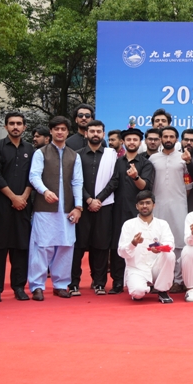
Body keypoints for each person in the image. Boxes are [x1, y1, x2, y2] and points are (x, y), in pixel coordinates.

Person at [28, 116, 83, 301]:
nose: (60, 132)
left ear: (68, 132)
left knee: (66, 246)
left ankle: (60, 284)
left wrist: (78, 207)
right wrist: (44, 191)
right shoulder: (40, 153)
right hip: (45, 207)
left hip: (67, 208)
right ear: (50, 132)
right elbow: (34, 176)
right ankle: (37, 285)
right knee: (42, 246)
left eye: (63, 129)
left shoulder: (74, 156)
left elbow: (77, 182)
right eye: (56, 129)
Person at [97, 127, 155, 294]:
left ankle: (142, 279)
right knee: (118, 245)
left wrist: (135, 177)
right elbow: (113, 183)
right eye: (128, 139)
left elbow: (145, 187)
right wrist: (97, 200)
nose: (131, 142)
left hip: (139, 212)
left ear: (140, 142)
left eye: (135, 139)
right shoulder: (118, 162)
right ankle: (117, 281)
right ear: (123, 142)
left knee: (140, 245)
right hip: (118, 210)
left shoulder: (146, 163)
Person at [0, 112, 35, 302]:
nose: (15, 126)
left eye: (19, 123)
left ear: (24, 127)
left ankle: (19, 287)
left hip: (24, 205)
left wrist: (23, 197)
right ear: (6, 126)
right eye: (12, 123)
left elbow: (33, 175)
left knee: (21, 247)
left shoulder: (31, 149)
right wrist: (13, 197)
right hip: (1, 205)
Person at [151, 126, 193, 289]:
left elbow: (189, 184)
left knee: (179, 241)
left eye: (171, 136)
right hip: (157, 205)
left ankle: (178, 280)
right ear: (160, 139)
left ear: (176, 139)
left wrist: (179, 198)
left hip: (179, 205)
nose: (168, 139)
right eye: (165, 136)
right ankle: (157, 279)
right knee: (158, 241)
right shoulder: (153, 159)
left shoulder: (183, 158)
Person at [70, 121, 115, 295]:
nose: (95, 134)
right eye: (92, 131)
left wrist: (99, 199)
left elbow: (114, 180)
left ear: (103, 134)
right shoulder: (77, 155)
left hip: (104, 206)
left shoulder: (111, 156)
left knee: (101, 246)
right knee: (78, 246)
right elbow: (74, 181)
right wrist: (89, 200)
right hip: (81, 206)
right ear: (86, 133)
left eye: (98, 131)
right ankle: (74, 283)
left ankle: (99, 282)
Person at [117, 190, 175, 303]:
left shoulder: (162, 224)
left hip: (156, 267)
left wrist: (160, 248)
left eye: (148, 203)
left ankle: (162, 290)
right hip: (136, 268)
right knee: (138, 293)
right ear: (137, 206)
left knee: (170, 255)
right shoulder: (128, 225)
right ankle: (143, 287)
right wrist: (133, 243)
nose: (144, 206)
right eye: (141, 203)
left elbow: (170, 244)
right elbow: (121, 252)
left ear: (154, 205)